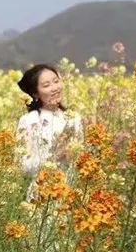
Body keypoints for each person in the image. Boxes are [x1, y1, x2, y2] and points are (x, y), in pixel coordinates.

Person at [15, 64, 84, 194]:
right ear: (35, 93)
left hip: (69, 193)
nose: (55, 88)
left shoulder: (74, 119)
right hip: (40, 195)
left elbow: (81, 162)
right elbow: (22, 167)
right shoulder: (30, 120)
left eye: (56, 81)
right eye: (46, 85)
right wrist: (54, 155)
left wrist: (73, 155)